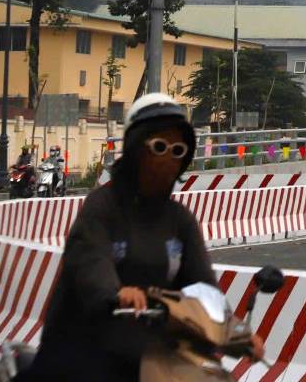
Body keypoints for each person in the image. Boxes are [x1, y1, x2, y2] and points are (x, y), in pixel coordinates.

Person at [20, 93, 264, 380]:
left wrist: (236, 334)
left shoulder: (180, 221)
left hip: (148, 349)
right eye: (159, 146)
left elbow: (203, 287)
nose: (168, 158)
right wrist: (115, 292)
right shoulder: (103, 207)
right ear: (137, 148)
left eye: (178, 150)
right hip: (85, 342)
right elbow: (91, 260)